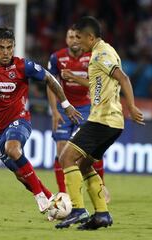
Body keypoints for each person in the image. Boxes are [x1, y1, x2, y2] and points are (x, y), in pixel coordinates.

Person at [0, 27, 82, 214]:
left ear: (14, 47)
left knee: (13, 148)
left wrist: (65, 104)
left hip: (19, 120)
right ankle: (52, 202)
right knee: (20, 175)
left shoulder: (23, 66)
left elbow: (50, 78)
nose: (6, 52)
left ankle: (39, 195)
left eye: (10, 47)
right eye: (1, 47)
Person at [55, 16, 144, 230]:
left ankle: (77, 209)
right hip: (111, 122)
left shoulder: (101, 54)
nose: (76, 42)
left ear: (90, 37)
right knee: (85, 164)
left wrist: (131, 107)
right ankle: (102, 215)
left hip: (103, 119)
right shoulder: (103, 51)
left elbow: (123, 78)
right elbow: (98, 83)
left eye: (79, 37)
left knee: (66, 157)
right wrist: (76, 79)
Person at [46, 28, 109, 202]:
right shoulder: (56, 58)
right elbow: (51, 84)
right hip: (64, 108)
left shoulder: (92, 57)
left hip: (86, 108)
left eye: (77, 37)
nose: (74, 39)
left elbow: (98, 85)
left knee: (91, 152)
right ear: (66, 39)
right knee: (61, 151)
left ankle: (100, 187)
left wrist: (73, 77)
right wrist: (54, 111)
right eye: (70, 36)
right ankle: (63, 194)